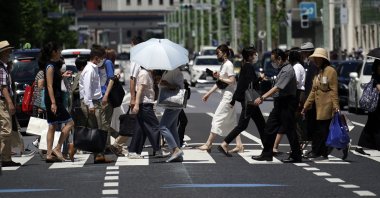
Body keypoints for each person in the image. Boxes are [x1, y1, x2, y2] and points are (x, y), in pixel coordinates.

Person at [252, 48, 301, 163]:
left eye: (274, 60)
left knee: (290, 130)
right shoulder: (282, 69)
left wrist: (262, 97)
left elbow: (278, 87)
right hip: (279, 103)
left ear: (280, 58)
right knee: (269, 127)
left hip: (287, 103)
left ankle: (296, 155)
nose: (273, 63)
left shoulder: (287, 70)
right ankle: (267, 154)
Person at [218, 46, 266, 156]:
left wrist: (234, 99)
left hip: (249, 100)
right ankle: (224, 144)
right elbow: (249, 84)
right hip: (248, 101)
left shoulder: (244, 65)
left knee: (261, 124)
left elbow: (241, 84)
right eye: (254, 54)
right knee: (242, 125)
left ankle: (268, 149)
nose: (255, 56)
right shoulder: (248, 67)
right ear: (249, 56)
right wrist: (260, 78)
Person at [198, 44, 239, 152]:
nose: (217, 55)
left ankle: (208, 144)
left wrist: (219, 77)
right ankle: (239, 145)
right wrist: (208, 93)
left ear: (224, 53)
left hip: (228, 97)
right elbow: (220, 83)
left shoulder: (228, 65)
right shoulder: (224, 65)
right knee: (232, 122)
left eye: (218, 53)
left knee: (216, 118)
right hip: (227, 95)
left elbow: (232, 81)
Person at [301, 48, 340, 159]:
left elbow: (334, 90)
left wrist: (336, 106)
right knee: (320, 130)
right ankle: (322, 151)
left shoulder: (330, 71)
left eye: (318, 58)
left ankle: (318, 151)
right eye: (315, 58)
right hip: (318, 107)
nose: (316, 60)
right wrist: (305, 106)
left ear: (323, 59)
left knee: (321, 130)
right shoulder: (318, 72)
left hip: (327, 106)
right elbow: (313, 91)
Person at [40, 42, 75, 163]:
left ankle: (49, 154)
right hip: (53, 99)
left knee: (52, 126)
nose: (60, 52)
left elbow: (54, 81)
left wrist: (62, 76)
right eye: (58, 50)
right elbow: (49, 85)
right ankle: (58, 147)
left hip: (53, 99)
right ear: (53, 52)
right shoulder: (50, 66)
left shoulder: (53, 65)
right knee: (70, 123)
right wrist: (53, 103)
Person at [80, 44, 115, 163]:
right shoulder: (90, 70)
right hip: (92, 103)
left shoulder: (92, 68)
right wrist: (90, 104)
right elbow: (87, 88)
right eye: (101, 58)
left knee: (97, 129)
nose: (102, 60)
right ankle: (96, 154)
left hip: (95, 102)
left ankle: (98, 155)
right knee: (98, 129)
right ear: (96, 57)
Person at [273, 48, 306, 153]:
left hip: (296, 94)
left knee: (290, 122)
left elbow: (293, 81)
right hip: (297, 93)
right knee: (290, 122)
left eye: (288, 56)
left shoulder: (295, 67)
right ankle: (279, 146)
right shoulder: (299, 66)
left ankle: (292, 147)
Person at [130, 66, 161, 158]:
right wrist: (136, 104)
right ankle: (158, 149)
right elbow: (140, 90)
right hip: (145, 104)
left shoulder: (148, 73)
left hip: (145, 104)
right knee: (155, 126)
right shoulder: (144, 73)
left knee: (140, 129)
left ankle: (133, 151)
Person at [158, 68, 185, 162]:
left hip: (174, 103)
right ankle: (178, 154)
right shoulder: (168, 71)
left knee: (163, 126)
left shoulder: (175, 71)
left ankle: (175, 150)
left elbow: (178, 88)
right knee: (172, 128)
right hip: (172, 103)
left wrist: (166, 84)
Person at [356, 58, 380, 155]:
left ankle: (360, 146)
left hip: (376, 105)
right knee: (376, 126)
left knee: (370, 126)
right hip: (376, 105)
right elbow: (379, 88)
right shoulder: (376, 76)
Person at [299, 42, 317, 151]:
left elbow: (311, 85)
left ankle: (317, 149)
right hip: (312, 99)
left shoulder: (313, 64)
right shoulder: (311, 64)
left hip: (313, 100)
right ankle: (316, 148)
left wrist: (307, 102)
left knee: (314, 125)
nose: (303, 55)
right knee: (313, 125)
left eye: (304, 53)